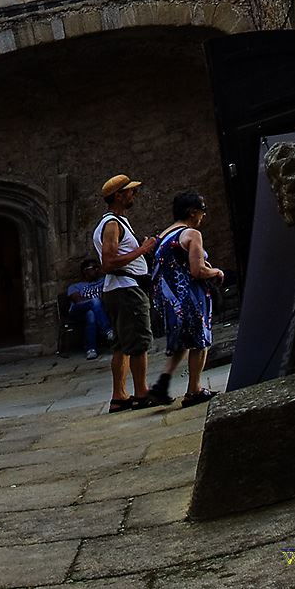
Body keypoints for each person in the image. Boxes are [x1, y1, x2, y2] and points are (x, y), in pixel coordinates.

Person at [145, 189, 225, 407]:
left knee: (183, 341)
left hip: (170, 300)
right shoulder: (192, 234)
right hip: (190, 296)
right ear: (192, 212)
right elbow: (197, 271)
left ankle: (161, 384)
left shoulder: (164, 236)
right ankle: (194, 390)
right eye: (202, 211)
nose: (203, 216)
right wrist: (217, 272)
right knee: (200, 342)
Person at [95, 171, 158, 412]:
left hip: (119, 289)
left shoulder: (116, 222)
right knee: (138, 343)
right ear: (118, 196)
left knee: (121, 346)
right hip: (126, 290)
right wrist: (143, 249)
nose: (135, 193)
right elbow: (108, 262)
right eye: (130, 190)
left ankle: (119, 396)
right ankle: (142, 393)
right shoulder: (112, 224)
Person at [62, 258, 113, 358]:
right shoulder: (75, 286)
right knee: (95, 301)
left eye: (98, 267)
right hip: (78, 311)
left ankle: (91, 349)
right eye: (94, 268)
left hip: (96, 311)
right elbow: (78, 300)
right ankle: (108, 331)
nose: (97, 270)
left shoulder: (103, 281)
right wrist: (95, 302)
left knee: (91, 314)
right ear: (85, 271)